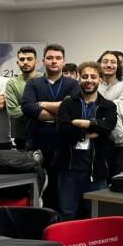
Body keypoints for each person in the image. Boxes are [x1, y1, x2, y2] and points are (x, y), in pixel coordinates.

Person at [22, 44, 80, 209]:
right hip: (37, 143)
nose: (54, 61)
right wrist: (61, 113)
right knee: (35, 188)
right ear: (43, 61)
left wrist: (41, 104)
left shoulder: (73, 84)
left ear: (63, 61)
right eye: (50, 58)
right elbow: (27, 107)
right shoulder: (33, 83)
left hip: (63, 145)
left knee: (60, 189)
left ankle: (57, 220)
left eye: (58, 58)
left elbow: (74, 110)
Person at [56, 61, 117, 219]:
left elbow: (108, 127)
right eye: (85, 76)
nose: (89, 80)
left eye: (93, 77)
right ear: (78, 79)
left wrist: (84, 123)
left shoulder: (108, 106)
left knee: (94, 215)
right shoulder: (67, 103)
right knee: (67, 213)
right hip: (69, 169)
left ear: (100, 79)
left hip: (96, 171)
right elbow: (63, 129)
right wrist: (91, 131)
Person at [5, 46, 41, 149]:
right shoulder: (12, 83)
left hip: (44, 133)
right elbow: (12, 111)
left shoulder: (45, 79)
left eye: (29, 59)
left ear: (36, 61)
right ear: (18, 62)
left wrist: (25, 107)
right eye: (22, 59)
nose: (25, 62)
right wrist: (40, 105)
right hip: (22, 136)